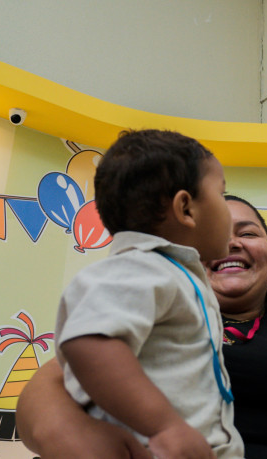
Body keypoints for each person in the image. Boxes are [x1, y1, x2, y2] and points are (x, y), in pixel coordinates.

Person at [17, 195, 267, 459]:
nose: (231, 243)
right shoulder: (142, 320)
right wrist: (79, 439)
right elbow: (49, 392)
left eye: (248, 233)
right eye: (212, 235)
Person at [53, 129, 242, 459]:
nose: (228, 210)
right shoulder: (143, 268)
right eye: (222, 194)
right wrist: (164, 426)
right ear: (186, 208)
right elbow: (89, 341)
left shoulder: (173, 274)